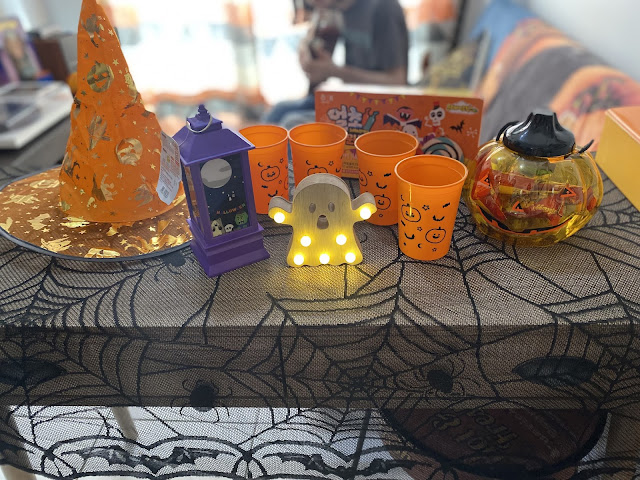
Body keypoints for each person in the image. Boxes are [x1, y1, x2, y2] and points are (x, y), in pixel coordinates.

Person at [264, 0, 409, 128]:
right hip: (349, 100)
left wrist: (333, 71)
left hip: (378, 108)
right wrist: (306, 48)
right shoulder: (336, 8)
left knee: (292, 122)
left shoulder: (383, 7)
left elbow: (397, 80)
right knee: (278, 111)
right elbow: (316, 59)